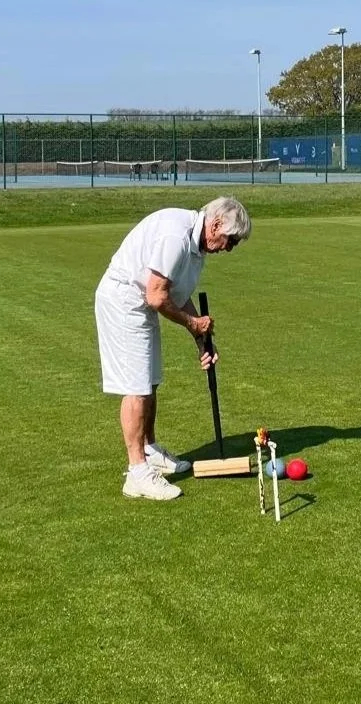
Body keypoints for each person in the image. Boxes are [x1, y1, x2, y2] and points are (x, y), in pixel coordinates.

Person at [94, 196, 251, 501]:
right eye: (231, 240)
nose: (229, 248)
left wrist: (202, 340)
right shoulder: (175, 235)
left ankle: (149, 450)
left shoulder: (196, 249)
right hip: (124, 300)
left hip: (141, 304)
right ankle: (137, 473)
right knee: (137, 386)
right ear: (216, 224)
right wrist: (193, 325)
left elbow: (177, 296)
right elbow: (156, 295)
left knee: (149, 380)